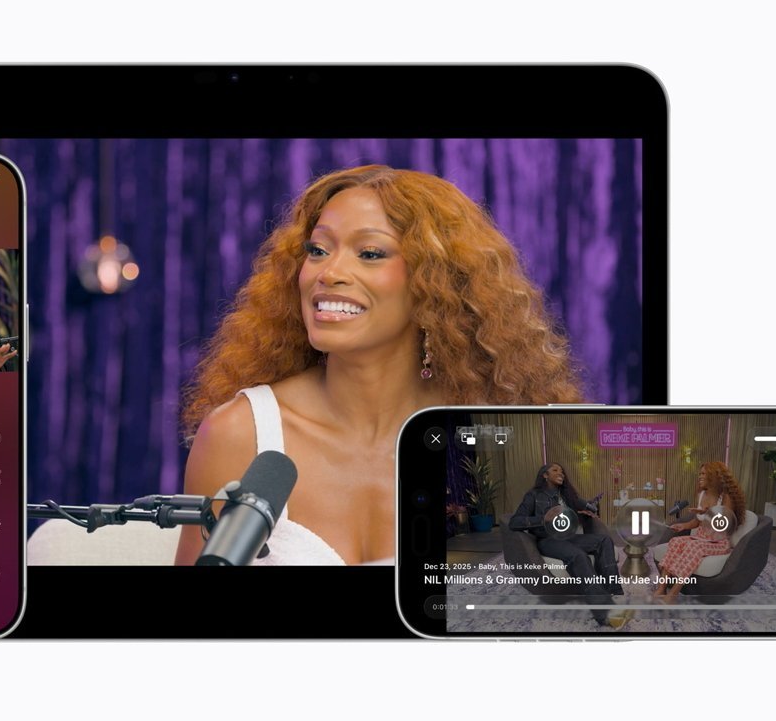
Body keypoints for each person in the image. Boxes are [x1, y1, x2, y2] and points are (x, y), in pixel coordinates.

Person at [176, 165, 582, 565]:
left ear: (435, 283)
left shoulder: (486, 429)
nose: (329, 272)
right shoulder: (238, 435)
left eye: (370, 253)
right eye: (317, 250)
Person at [508, 463, 628, 628]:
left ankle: (613, 591)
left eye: (562, 471)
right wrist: (543, 519)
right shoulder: (533, 495)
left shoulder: (566, 495)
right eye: (555, 470)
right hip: (548, 540)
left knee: (603, 540)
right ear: (544, 475)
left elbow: (571, 517)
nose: (561, 473)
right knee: (579, 556)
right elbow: (515, 522)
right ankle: (604, 612)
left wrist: (584, 515)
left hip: (568, 537)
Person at [653, 461, 747, 602]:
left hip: (718, 542)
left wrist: (708, 512)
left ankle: (673, 595)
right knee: (675, 541)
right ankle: (661, 588)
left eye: (703, 474)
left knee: (693, 547)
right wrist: (683, 526)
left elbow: (724, 525)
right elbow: (697, 521)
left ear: (713, 476)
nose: (700, 476)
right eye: (700, 474)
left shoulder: (725, 497)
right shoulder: (702, 494)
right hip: (700, 537)